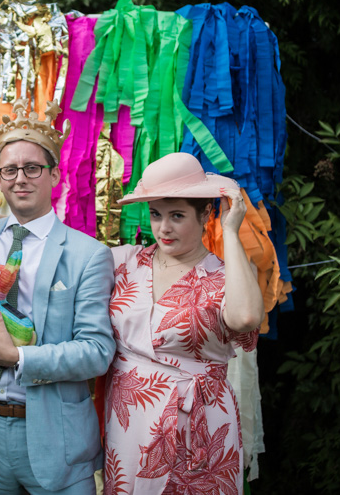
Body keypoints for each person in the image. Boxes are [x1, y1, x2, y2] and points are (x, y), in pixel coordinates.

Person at [0, 98, 116, 494]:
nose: (20, 179)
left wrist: (18, 358)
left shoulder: (88, 254)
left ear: (55, 174)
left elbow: (97, 350)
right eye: (9, 170)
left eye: (32, 168)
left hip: (53, 434)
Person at [102, 152, 263, 494]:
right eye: (156, 214)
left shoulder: (227, 275)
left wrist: (231, 231)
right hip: (130, 419)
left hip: (198, 420)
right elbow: (59, 259)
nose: (163, 228)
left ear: (206, 213)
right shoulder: (125, 262)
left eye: (177, 215)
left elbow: (246, 318)